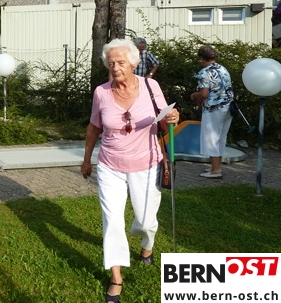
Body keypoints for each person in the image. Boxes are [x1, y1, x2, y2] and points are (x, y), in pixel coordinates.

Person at [80, 38, 179, 303]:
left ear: (134, 63)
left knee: (146, 222)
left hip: (146, 163)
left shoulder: (150, 86)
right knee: (112, 221)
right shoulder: (101, 92)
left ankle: (147, 245)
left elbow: (165, 118)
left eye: (121, 62)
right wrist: (87, 160)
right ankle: (116, 278)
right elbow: (94, 127)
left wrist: (173, 117)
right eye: (111, 63)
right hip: (110, 165)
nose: (115, 67)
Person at [190, 45, 234, 179]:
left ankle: (215, 171)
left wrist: (194, 95)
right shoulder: (223, 69)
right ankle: (217, 167)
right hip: (228, 106)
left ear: (201, 58)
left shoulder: (205, 72)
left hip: (213, 108)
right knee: (221, 137)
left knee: (212, 138)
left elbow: (204, 94)